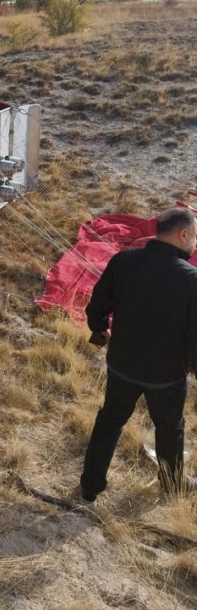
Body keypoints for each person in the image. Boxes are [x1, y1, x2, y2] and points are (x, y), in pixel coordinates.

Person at [80, 206, 197, 504]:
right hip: (166, 377)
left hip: (121, 364)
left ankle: (90, 487)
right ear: (183, 234)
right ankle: (171, 488)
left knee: (109, 420)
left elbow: (97, 304)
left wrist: (99, 329)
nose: (195, 243)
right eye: (195, 236)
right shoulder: (191, 279)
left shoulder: (124, 260)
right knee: (170, 430)